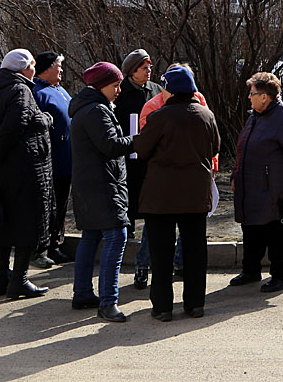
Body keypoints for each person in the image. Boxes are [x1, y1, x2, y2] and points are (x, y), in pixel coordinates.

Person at [134, 65, 220, 321]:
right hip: (195, 194)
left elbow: (143, 149)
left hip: (162, 196)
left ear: (169, 90)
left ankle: (162, 307)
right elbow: (214, 146)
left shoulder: (160, 117)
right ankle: (195, 304)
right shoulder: (206, 115)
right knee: (195, 250)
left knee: (162, 253)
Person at [0, 49, 53, 299]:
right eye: (32, 66)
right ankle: (19, 281)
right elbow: (14, 126)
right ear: (23, 67)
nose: (34, 71)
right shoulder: (20, 89)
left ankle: (0, 281)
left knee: (0, 223)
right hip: (22, 169)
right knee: (28, 223)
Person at [229, 71, 283, 292]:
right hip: (250, 185)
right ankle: (251, 270)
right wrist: (236, 175)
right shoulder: (255, 115)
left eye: (252, 93)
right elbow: (242, 150)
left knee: (276, 233)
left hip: (274, 189)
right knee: (251, 229)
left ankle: (281, 275)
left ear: (265, 96)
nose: (249, 97)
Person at [70, 62, 134, 322]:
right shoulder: (96, 111)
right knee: (116, 236)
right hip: (103, 186)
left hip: (90, 185)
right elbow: (109, 146)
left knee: (91, 236)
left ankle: (83, 292)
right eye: (115, 85)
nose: (119, 90)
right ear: (100, 86)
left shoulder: (87, 108)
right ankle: (109, 301)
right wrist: (138, 139)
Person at [115, 48, 163, 289]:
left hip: (149, 152)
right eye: (144, 68)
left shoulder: (154, 90)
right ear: (131, 71)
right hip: (126, 150)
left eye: (150, 68)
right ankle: (128, 226)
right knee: (128, 190)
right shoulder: (120, 92)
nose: (148, 72)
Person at [31, 52, 73, 268]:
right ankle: (42, 248)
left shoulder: (60, 90)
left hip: (67, 160)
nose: (61, 69)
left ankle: (56, 244)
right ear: (46, 68)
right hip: (49, 161)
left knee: (61, 204)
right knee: (47, 205)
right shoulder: (37, 92)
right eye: (58, 65)